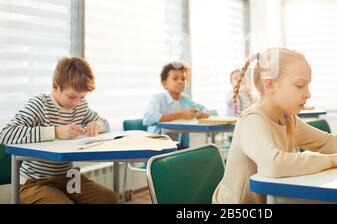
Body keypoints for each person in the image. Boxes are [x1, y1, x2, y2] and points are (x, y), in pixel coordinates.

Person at [212, 47, 337, 204]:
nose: (308, 94)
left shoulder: (287, 118)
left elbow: (327, 141)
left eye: (308, 85)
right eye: (300, 85)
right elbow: (274, 164)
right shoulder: (253, 120)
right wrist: (332, 161)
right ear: (270, 84)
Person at [0, 56, 118, 204]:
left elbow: (104, 123)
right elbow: (5, 134)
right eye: (72, 97)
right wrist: (55, 132)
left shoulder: (80, 106)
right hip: (35, 181)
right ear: (55, 87)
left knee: (108, 198)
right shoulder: (39, 104)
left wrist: (97, 125)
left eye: (82, 97)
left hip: (69, 178)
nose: (76, 103)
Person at [143, 61, 209, 149]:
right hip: (158, 147)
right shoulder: (157, 99)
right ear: (164, 83)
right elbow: (148, 118)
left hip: (181, 147)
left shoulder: (186, 100)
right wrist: (181, 115)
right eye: (175, 78)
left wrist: (203, 113)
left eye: (183, 79)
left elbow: (203, 108)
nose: (180, 82)